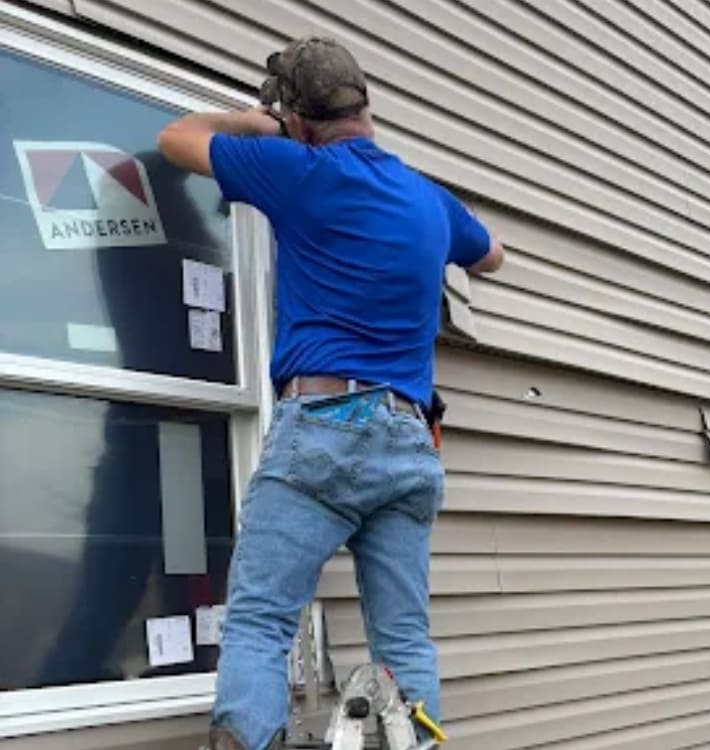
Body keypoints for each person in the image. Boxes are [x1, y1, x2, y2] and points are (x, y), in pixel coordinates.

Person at [157, 36, 504, 750]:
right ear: (366, 106)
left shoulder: (300, 170)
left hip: (325, 424)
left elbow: (175, 138)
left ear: (301, 121)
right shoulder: (429, 201)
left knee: (259, 622)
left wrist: (257, 126)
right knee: (404, 640)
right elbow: (494, 253)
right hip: (409, 440)